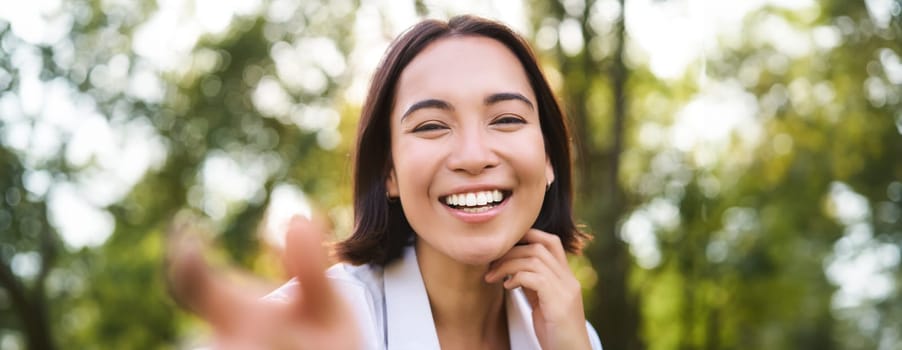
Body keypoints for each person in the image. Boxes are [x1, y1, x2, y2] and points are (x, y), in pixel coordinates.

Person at [168, 15, 603, 350]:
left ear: (549, 158)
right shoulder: (318, 326)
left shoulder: (570, 332)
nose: (473, 156)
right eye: (432, 126)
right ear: (388, 172)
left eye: (507, 119)